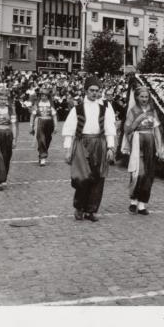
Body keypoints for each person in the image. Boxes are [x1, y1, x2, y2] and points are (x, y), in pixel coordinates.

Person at [62, 76, 117, 222]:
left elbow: (109, 129)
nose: (94, 93)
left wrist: (111, 147)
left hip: (99, 143)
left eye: (97, 91)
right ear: (86, 91)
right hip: (81, 143)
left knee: (98, 177)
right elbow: (69, 130)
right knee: (82, 177)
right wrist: (68, 149)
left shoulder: (103, 109)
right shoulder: (77, 109)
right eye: (92, 90)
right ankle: (79, 207)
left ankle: (91, 210)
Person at [123, 87, 163, 215]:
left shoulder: (152, 111)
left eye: (146, 97)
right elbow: (127, 130)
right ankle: (133, 200)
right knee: (138, 171)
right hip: (137, 141)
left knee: (149, 172)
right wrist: (137, 121)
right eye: (142, 97)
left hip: (149, 143)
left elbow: (156, 129)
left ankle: (142, 203)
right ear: (137, 97)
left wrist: (160, 146)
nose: (144, 99)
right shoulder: (133, 111)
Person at [30, 87, 58, 166]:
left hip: (49, 123)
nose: (44, 97)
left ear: (48, 96)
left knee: (47, 139)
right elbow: (33, 115)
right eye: (42, 95)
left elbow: (54, 116)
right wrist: (31, 125)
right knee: (41, 139)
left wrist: (56, 126)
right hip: (39, 122)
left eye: (45, 95)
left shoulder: (51, 104)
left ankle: (41, 153)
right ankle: (43, 157)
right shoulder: (37, 104)